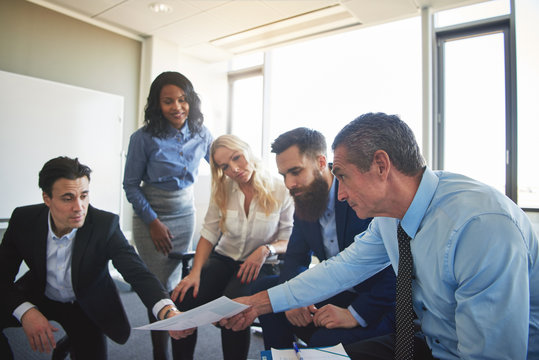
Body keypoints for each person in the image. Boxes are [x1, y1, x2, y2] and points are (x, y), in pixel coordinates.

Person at [221, 112, 539, 360]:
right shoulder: (389, 219)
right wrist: (257, 304)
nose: (340, 194)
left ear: (381, 165)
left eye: (342, 177)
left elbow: (489, 353)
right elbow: (341, 269)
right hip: (428, 342)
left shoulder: (479, 227)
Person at [0, 157, 190, 360]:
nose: (79, 207)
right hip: (39, 293)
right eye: (68, 198)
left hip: (84, 303)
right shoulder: (24, 220)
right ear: (47, 198)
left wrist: (168, 312)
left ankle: (72, 340)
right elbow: (2, 275)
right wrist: (26, 312)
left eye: (83, 196)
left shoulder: (104, 225)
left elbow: (138, 274)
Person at [253, 127, 395, 350]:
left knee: (325, 342)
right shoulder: (305, 199)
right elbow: (295, 259)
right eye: (284, 175)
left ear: (321, 162)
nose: (289, 183)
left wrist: (354, 314)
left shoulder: (359, 196)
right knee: (268, 295)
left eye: (296, 171)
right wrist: (294, 298)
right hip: (337, 291)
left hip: (377, 301)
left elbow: (395, 271)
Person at [170, 134, 294, 360]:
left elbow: (288, 239)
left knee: (233, 312)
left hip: (260, 264)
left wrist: (266, 249)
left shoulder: (280, 189)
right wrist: (194, 273)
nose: (235, 169)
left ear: (248, 150)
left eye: (237, 158)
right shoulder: (224, 189)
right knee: (182, 299)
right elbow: (209, 233)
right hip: (225, 258)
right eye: (225, 166)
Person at [123, 71, 212, 359]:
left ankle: (179, 347)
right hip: (151, 217)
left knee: (176, 283)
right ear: (156, 105)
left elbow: (224, 166)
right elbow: (130, 186)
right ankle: (159, 352)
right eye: (168, 101)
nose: (177, 107)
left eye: (183, 100)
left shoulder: (202, 133)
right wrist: (153, 222)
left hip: (184, 213)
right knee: (157, 288)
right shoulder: (143, 138)